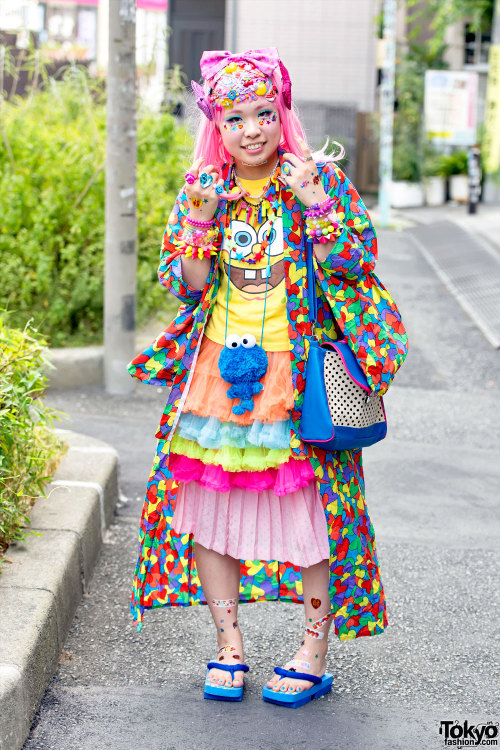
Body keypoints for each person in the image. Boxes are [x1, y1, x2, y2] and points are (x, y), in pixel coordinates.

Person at [128, 47, 408, 707]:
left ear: (282, 113)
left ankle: (313, 650)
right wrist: (199, 218)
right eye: (234, 118)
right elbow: (189, 288)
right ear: (216, 128)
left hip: (301, 384)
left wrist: (314, 203)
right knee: (211, 517)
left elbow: (350, 269)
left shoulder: (320, 180)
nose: (251, 128)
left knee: (314, 516)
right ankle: (229, 647)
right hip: (219, 381)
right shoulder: (204, 189)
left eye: (263, 112)